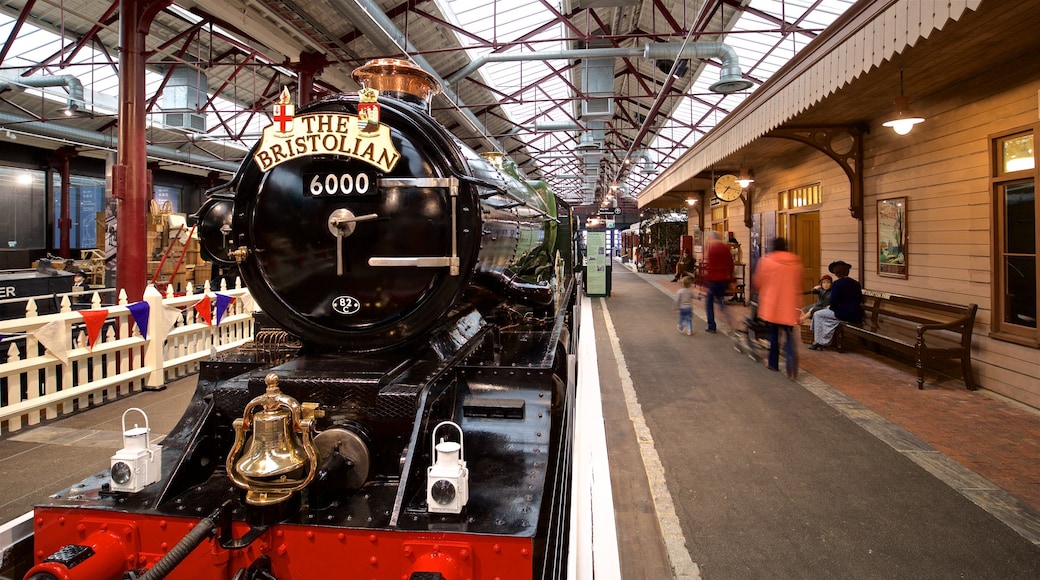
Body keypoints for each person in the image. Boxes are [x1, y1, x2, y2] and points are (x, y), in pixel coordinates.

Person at [751, 237, 803, 379]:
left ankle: (773, 363)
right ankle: (791, 367)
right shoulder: (796, 262)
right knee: (789, 336)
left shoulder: (766, 261)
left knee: (773, 334)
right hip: (789, 305)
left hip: (772, 306)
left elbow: (758, 282)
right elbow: (798, 283)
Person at [809, 260, 863, 350]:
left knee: (817, 314)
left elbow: (833, 301)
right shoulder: (856, 283)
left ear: (837, 273)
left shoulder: (837, 284)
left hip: (843, 313)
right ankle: (822, 340)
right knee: (824, 315)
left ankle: (819, 342)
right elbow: (859, 299)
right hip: (856, 313)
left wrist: (831, 307)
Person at [704, 230, 735, 333]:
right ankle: (730, 320)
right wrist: (731, 279)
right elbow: (730, 264)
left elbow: (709, 266)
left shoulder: (711, 248)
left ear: (711, 238)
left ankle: (711, 325)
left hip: (713, 279)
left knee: (709, 303)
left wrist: (705, 281)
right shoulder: (725, 248)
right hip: (723, 279)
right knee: (720, 301)